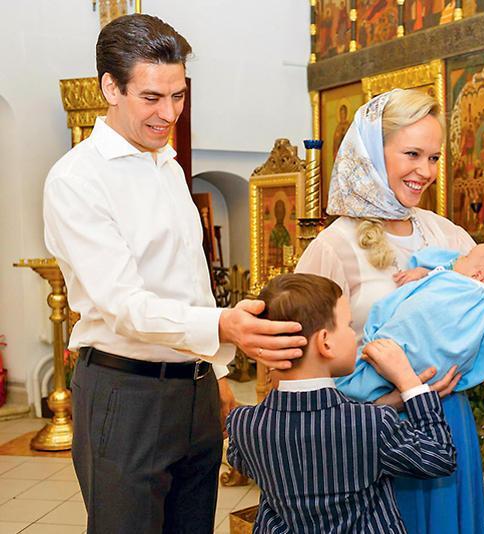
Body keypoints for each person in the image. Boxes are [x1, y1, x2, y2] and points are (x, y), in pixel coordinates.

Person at [42, 14, 304, 533]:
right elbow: (124, 305)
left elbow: (189, 282)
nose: (169, 114)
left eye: (178, 96)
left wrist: (217, 373)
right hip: (126, 394)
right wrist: (224, 327)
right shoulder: (77, 179)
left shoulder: (166, 165)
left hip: (195, 389)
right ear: (111, 88)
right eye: (152, 97)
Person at [295, 88, 484, 533]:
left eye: (434, 158)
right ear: (371, 155)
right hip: (371, 433)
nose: (426, 171)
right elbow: (298, 363)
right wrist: (388, 401)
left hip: (448, 420)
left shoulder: (449, 236)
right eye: (412, 154)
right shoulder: (334, 246)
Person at [227, 273, 457, 533]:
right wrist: (408, 381)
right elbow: (440, 457)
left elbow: (257, 459)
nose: (355, 335)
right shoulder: (373, 424)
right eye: (349, 325)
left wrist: (381, 407)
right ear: (325, 341)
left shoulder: (243, 423)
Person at [336, 243, 484, 402]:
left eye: (465, 257)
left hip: (400, 354)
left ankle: (355, 390)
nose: (458, 259)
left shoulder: (456, 286)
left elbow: (421, 314)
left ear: (477, 275)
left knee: (367, 374)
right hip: (432, 378)